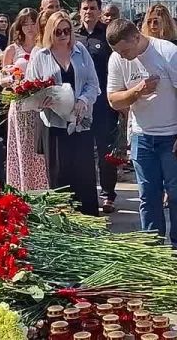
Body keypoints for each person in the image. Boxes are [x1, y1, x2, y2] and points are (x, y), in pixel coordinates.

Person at [107, 18, 177, 261]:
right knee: (148, 195)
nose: (123, 56)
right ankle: (152, 249)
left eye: (125, 50)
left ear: (136, 37)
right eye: (117, 52)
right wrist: (136, 91)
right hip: (142, 137)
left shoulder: (168, 53)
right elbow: (114, 99)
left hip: (172, 136)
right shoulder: (117, 59)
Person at [26, 11, 101, 216]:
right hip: (54, 122)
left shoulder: (81, 51)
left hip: (80, 119)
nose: (63, 35)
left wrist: (83, 100)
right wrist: (43, 101)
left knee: (84, 172)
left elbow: (93, 83)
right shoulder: (40, 55)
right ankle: (63, 218)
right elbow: (30, 88)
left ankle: (88, 218)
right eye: (58, 31)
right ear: (50, 32)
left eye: (67, 31)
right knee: (60, 172)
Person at [77, 0, 120, 213]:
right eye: (85, 8)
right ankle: (87, 193)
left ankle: (108, 194)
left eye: (93, 8)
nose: (89, 12)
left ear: (99, 11)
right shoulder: (73, 36)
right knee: (83, 151)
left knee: (106, 152)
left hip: (105, 104)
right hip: (80, 105)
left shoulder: (108, 36)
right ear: (79, 11)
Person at [1, 9, 48, 190]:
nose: (29, 27)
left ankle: (42, 187)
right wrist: (14, 80)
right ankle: (23, 187)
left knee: (40, 149)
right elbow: (2, 78)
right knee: (22, 146)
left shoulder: (44, 47)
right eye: (25, 23)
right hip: (21, 103)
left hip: (41, 103)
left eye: (33, 23)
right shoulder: (13, 49)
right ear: (20, 26)